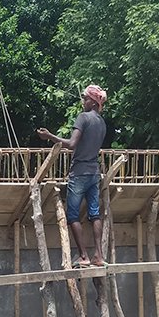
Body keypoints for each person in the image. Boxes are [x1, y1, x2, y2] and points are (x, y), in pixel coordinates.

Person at [37, 85, 108, 267]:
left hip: (79, 172)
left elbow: (71, 144)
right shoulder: (101, 122)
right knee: (94, 214)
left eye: (86, 99)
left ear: (94, 102)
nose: (83, 101)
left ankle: (84, 256)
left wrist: (50, 136)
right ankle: (99, 256)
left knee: (73, 215)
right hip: (94, 172)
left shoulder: (84, 117)